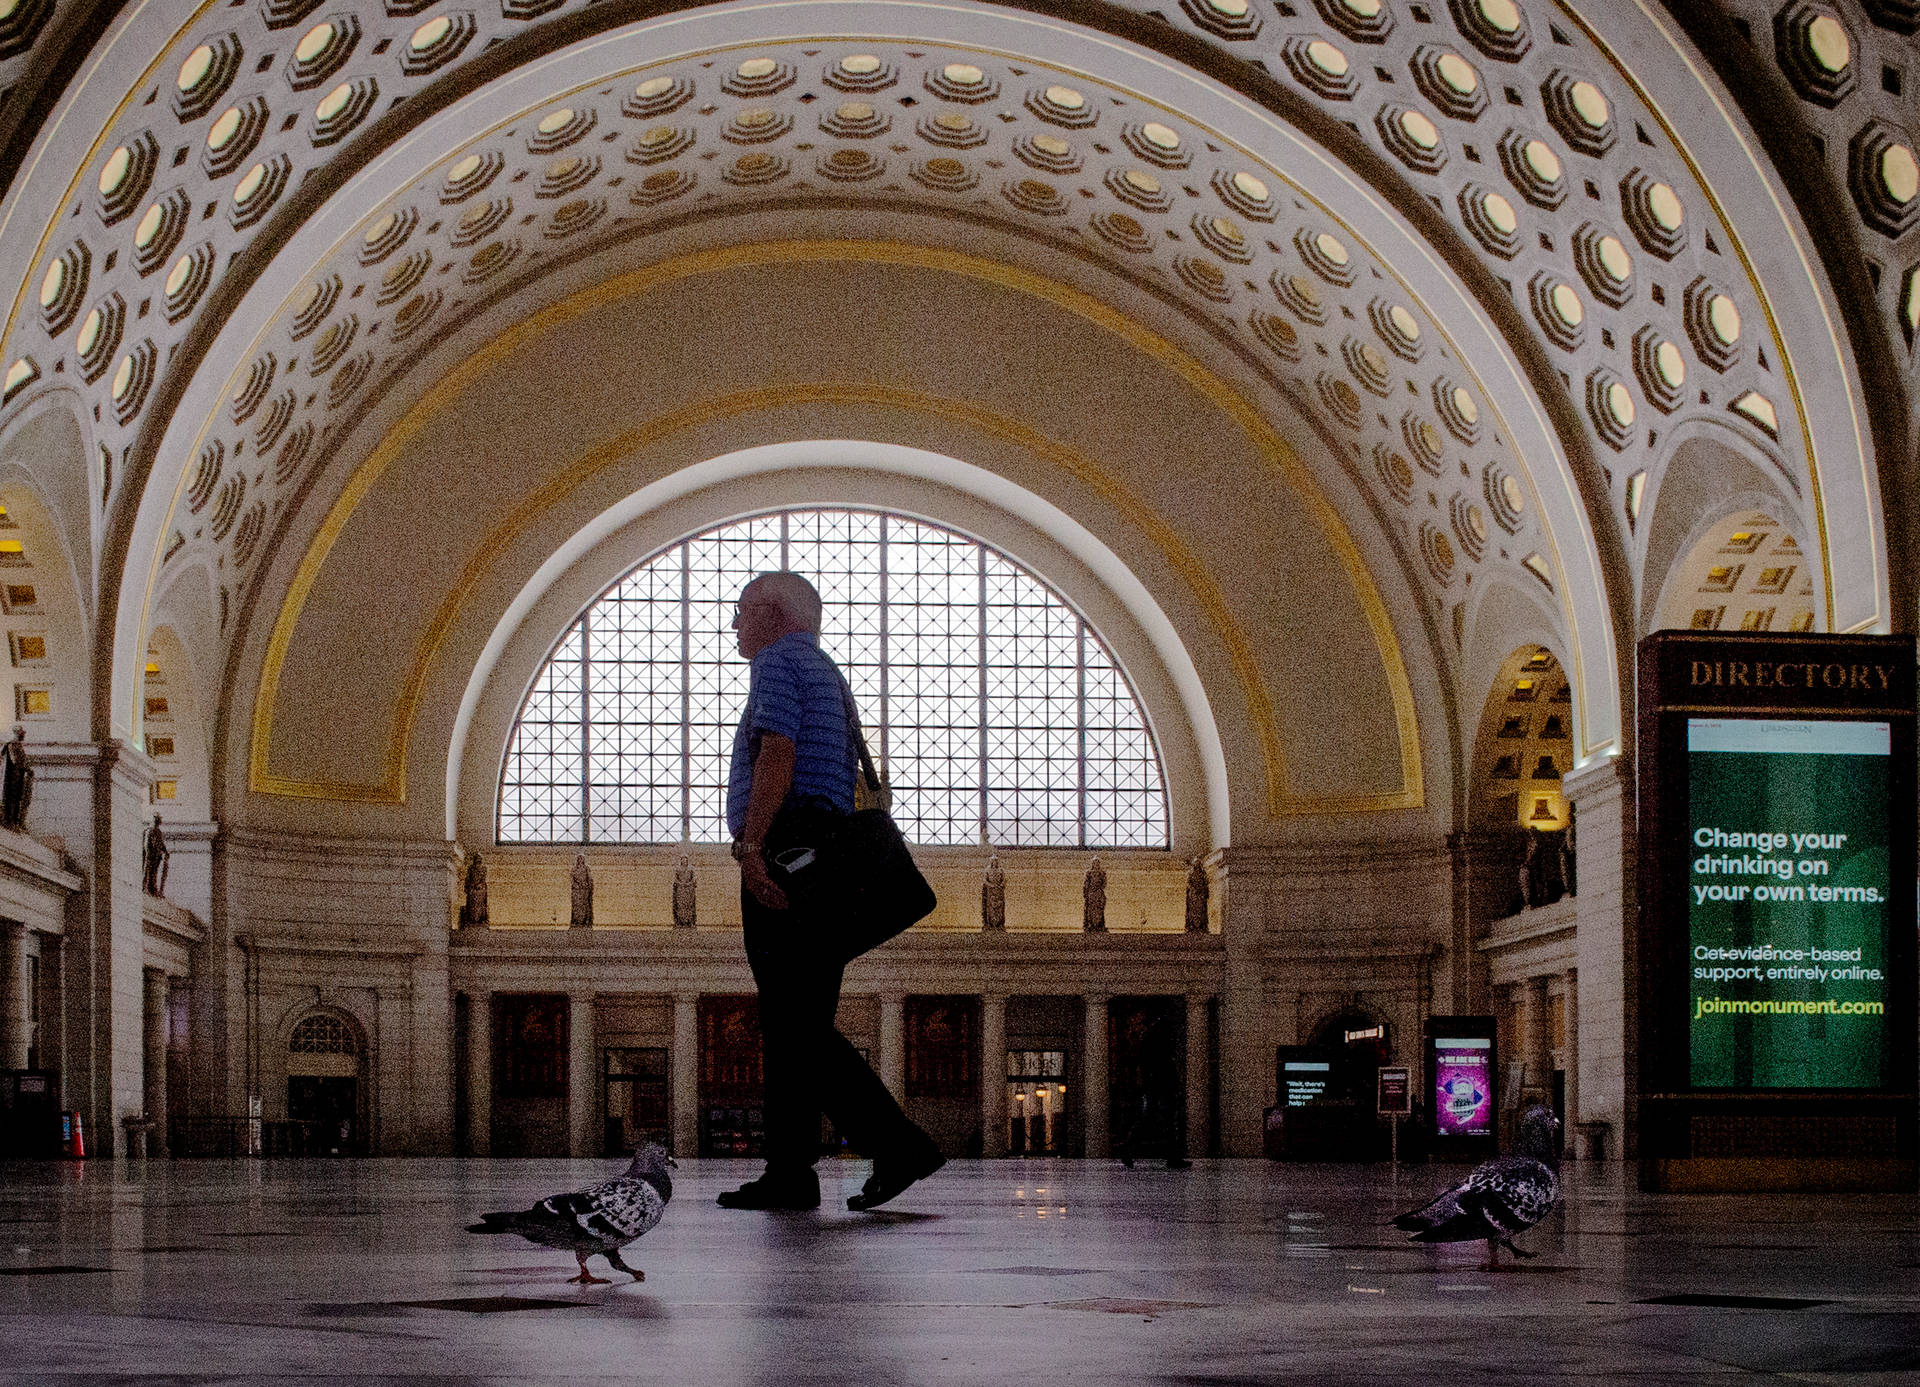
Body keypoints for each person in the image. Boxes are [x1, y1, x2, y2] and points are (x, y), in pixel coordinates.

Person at [718, 571, 944, 1213]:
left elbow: (777, 754)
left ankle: (896, 1144)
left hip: (792, 846)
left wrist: (754, 845)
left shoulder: (778, 660)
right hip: (823, 850)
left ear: (771, 613)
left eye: (740, 613)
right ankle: (791, 1172)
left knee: (792, 1020)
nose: (735, 626)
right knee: (794, 1020)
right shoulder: (822, 670)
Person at [1115, 1009, 1191, 1170]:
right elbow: (1163, 1062)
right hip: (1160, 1083)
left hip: (1156, 1083)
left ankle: (1170, 1156)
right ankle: (1130, 1146)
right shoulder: (1158, 1034)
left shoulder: (1151, 1035)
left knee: (1159, 1119)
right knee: (1164, 1119)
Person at [1, 723, 32, 831]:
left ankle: (15, 821)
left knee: (18, 798)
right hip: (13, 778)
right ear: (18, 733)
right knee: (12, 798)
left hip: (18, 776)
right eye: (22, 732)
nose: (24, 734)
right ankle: (11, 822)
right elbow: (15, 761)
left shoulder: (17, 744)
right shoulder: (12, 744)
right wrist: (26, 768)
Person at [143, 815, 169, 897]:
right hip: (150, 856)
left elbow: (161, 843)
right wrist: (148, 855)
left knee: (154, 872)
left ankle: (153, 889)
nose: (158, 822)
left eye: (159, 821)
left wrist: (165, 851)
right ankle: (145, 888)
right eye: (157, 821)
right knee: (147, 872)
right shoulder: (149, 831)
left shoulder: (158, 831)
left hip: (156, 856)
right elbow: (146, 845)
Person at [569, 853, 593, 928]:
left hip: (584, 890)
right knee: (576, 906)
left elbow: (589, 879)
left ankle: (585, 921)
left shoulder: (586, 868)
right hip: (576, 891)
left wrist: (588, 887)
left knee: (584, 906)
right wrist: (576, 885)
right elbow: (572, 879)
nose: (580, 860)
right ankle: (576, 921)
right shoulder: (574, 869)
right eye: (579, 858)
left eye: (582, 858)